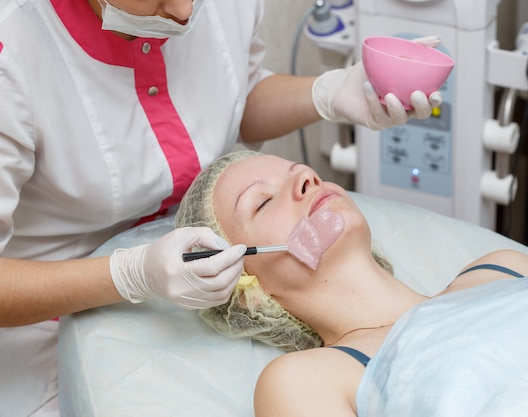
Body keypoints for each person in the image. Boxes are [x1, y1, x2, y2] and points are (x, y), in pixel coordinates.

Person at [0, 0, 444, 415]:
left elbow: (236, 97)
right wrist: (132, 273)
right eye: (263, 201)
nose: (183, 10)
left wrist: (326, 93)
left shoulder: (491, 272)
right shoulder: (14, 48)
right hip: (39, 331)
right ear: (254, 294)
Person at [175, 150, 528, 417]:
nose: (305, 178)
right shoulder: (306, 380)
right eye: (263, 201)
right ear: (247, 289)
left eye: (299, 169)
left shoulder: (503, 268)